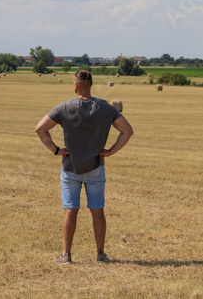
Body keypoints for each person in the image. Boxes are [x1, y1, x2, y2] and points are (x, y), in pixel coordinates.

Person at [35, 70, 133, 264]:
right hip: (96, 167)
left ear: (76, 86)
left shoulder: (65, 107)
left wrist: (56, 150)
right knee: (97, 211)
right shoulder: (105, 107)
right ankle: (100, 254)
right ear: (91, 85)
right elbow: (127, 131)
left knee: (71, 210)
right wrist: (111, 151)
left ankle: (66, 255)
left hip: (70, 168)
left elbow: (40, 128)